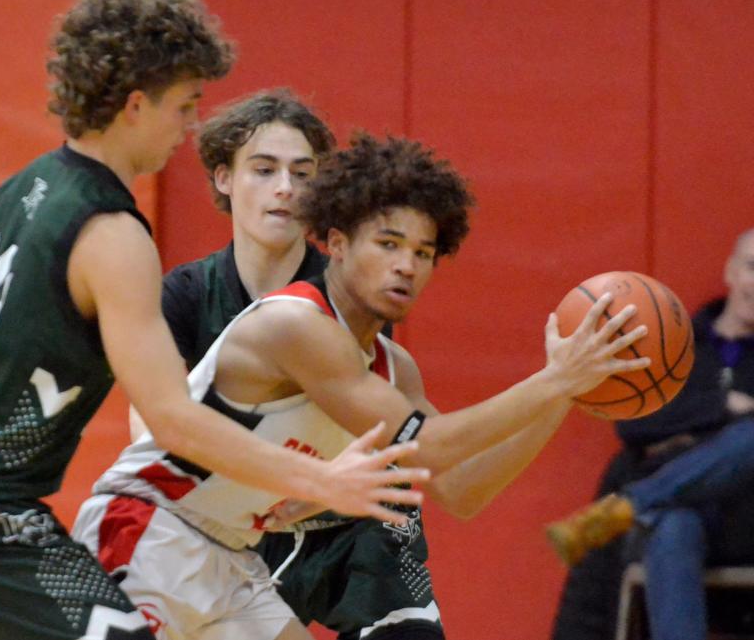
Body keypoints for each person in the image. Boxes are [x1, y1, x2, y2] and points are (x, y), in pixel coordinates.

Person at [0, 0, 427, 640]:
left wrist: (23, 357)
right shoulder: (111, 230)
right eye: (185, 104)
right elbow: (173, 419)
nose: (189, 125)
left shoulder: (30, 183)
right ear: (137, 105)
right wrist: (323, 479)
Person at [73, 133, 651, 640]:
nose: (407, 266)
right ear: (338, 243)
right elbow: (427, 444)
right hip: (147, 528)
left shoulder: (393, 366)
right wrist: (552, 378)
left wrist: (565, 394)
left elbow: (462, 490)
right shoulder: (296, 325)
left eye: (423, 253)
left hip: (229, 558)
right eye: (389, 244)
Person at [127, 88, 442, 640]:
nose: (285, 189)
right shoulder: (183, 293)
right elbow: (152, 425)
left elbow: (377, 422)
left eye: (302, 173)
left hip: (348, 524)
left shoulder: (349, 284)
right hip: (238, 518)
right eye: (264, 169)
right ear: (224, 177)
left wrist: (321, 485)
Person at [546, 228, 754, 640]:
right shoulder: (676, 342)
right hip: (674, 520)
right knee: (673, 526)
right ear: (731, 272)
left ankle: (631, 503)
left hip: (745, 520)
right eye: (752, 267)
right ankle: (640, 504)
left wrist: (686, 435)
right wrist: (725, 408)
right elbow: (635, 424)